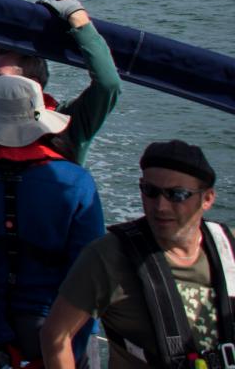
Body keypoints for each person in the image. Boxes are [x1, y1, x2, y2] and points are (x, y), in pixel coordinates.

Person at [0, 0, 121, 369]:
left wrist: (80, 23)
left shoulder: (72, 128)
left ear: (31, 84)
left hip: (50, 312)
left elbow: (107, 85)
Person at [41, 140, 234, 369]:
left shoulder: (229, 248)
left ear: (208, 198)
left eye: (177, 194)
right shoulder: (108, 257)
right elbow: (56, 336)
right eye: (150, 191)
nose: (160, 206)